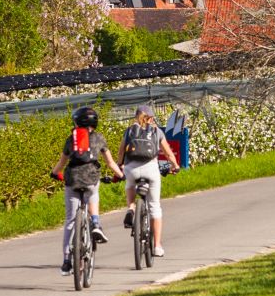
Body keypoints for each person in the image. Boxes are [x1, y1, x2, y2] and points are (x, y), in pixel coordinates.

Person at [49, 104, 120, 274]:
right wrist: (121, 175)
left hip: (72, 179)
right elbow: (110, 162)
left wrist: (54, 173)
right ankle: (95, 222)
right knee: (93, 192)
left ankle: (66, 261)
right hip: (91, 177)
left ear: (76, 123)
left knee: (70, 221)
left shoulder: (70, 139)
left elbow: (61, 163)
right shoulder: (99, 138)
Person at [120, 105, 179, 257]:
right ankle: (157, 246)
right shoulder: (156, 131)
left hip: (131, 168)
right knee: (155, 207)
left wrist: (120, 165)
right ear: (151, 118)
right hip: (150, 169)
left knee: (130, 185)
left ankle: (131, 208)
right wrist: (175, 165)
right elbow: (167, 152)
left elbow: (121, 151)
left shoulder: (129, 131)